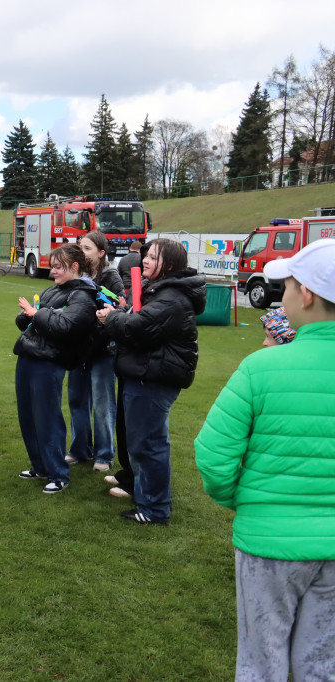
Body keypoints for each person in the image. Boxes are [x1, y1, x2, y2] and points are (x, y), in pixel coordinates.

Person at [194, 238, 335, 681]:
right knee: (321, 664)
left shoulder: (262, 367)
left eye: (289, 285)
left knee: (261, 659)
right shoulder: (263, 365)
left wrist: (243, 500)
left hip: (268, 544)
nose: (284, 295)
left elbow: (213, 456)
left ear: (307, 294)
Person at [98, 238, 205, 524]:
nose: (145, 259)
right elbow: (135, 317)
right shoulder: (163, 291)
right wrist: (119, 314)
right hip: (145, 374)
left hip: (154, 378)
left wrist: (111, 318)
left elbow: (138, 327)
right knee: (141, 443)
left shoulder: (171, 298)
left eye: (153, 257)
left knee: (149, 445)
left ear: (168, 265)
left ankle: (155, 508)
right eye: (146, 255)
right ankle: (145, 497)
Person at [14, 244, 98, 494]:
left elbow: (65, 327)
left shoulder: (82, 296)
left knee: (47, 418)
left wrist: (36, 314)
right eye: (52, 266)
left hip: (49, 362)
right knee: (27, 416)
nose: (53, 272)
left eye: (58, 266)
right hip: (28, 356)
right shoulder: (53, 290)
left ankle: (58, 473)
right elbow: (25, 321)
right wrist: (30, 314)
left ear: (74, 267)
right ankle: (39, 466)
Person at [66, 231, 125, 472]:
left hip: (102, 349)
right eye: (81, 247)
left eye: (88, 248)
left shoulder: (111, 277)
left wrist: (106, 316)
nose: (83, 251)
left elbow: (123, 309)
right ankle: (80, 449)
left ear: (102, 253)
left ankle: (104, 454)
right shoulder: (76, 274)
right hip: (78, 348)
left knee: (102, 403)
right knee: (77, 400)